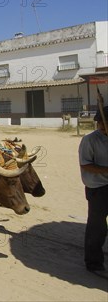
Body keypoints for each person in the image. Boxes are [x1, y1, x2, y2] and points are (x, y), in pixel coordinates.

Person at [78, 105, 108, 274]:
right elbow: (85, 164)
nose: (103, 125)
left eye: (106, 122)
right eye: (100, 122)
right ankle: (94, 262)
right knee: (97, 227)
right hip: (98, 189)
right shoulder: (90, 140)